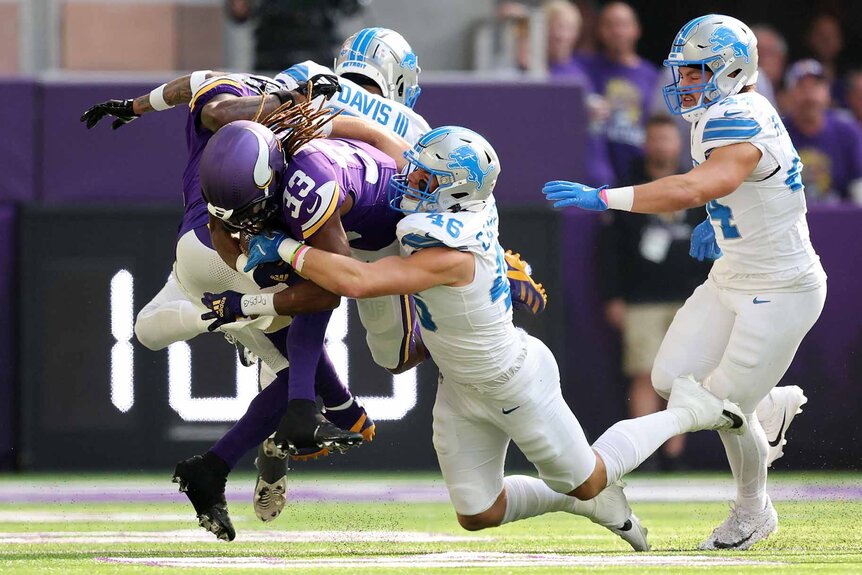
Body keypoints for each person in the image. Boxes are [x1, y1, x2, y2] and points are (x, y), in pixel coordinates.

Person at [205, 124, 763, 551]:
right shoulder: (456, 197)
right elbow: (385, 139)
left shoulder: (449, 248)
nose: (409, 180)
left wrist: (280, 247)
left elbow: (358, 280)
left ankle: (689, 411)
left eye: (424, 179)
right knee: (478, 514)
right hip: (460, 383)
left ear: (451, 193)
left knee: (589, 478)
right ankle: (581, 504)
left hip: (512, 379)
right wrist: (318, 132)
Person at [544, 14, 826, 550]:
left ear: (731, 70)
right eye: (684, 71)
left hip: (782, 287)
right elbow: (735, 187)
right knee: (671, 378)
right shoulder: (717, 114)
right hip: (734, 273)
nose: (684, 83)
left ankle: (753, 512)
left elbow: (700, 183)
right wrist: (720, 221)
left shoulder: (739, 115)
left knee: (722, 406)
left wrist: (607, 197)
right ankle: (768, 404)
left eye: (697, 72)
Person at [599, 115, 710, 470]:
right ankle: (641, 455)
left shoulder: (694, 185)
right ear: (646, 143)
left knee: (684, 379)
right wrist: (613, 296)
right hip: (641, 298)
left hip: (689, 297)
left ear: (677, 143)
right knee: (645, 373)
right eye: (655, 139)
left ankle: (672, 457)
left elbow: (713, 243)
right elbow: (609, 251)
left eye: (667, 139)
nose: (662, 146)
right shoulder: (627, 188)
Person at [574, 1, 658, 179]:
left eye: (623, 25)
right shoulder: (584, 67)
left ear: (636, 29)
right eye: (609, 25)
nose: (617, 31)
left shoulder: (652, 75)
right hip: (595, 167)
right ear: (599, 31)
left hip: (637, 170)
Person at [783, 59, 862, 202]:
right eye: (801, 86)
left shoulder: (847, 132)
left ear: (828, 93)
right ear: (788, 95)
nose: (809, 94)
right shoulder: (776, 133)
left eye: (816, 85)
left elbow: (858, 183)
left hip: (839, 219)